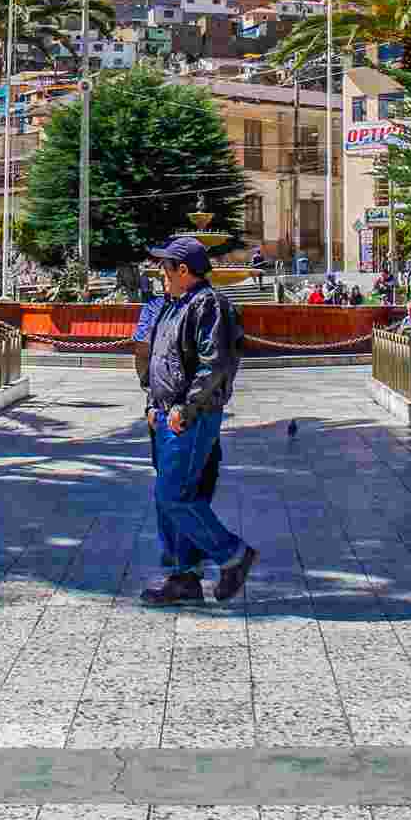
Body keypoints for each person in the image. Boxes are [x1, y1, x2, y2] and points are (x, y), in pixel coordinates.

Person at [140, 236, 254, 607]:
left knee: (173, 495)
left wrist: (185, 408)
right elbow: (158, 360)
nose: (160, 273)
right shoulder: (173, 305)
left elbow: (213, 364)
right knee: (169, 498)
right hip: (165, 416)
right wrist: (151, 405)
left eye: (166, 267)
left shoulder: (209, 304)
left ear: (183, 270)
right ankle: (183, 576)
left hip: (189, 417)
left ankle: (232, 555)